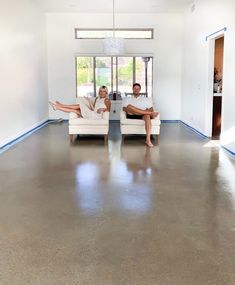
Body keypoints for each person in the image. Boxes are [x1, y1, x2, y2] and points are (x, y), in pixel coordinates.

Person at [122, 83, 159, 147]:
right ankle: (148, 114)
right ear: (132, 89)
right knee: (130, 106)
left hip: (143, 115)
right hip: (132, 115)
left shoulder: (145, 99)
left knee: (147, 116)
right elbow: (124, 108)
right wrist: (132, 110)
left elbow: (151, 109)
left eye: (138, 89)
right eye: (135, 89)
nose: (136, 90)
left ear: (140, 90)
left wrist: (142, 112)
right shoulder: (127, 99)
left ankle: (148, 139)